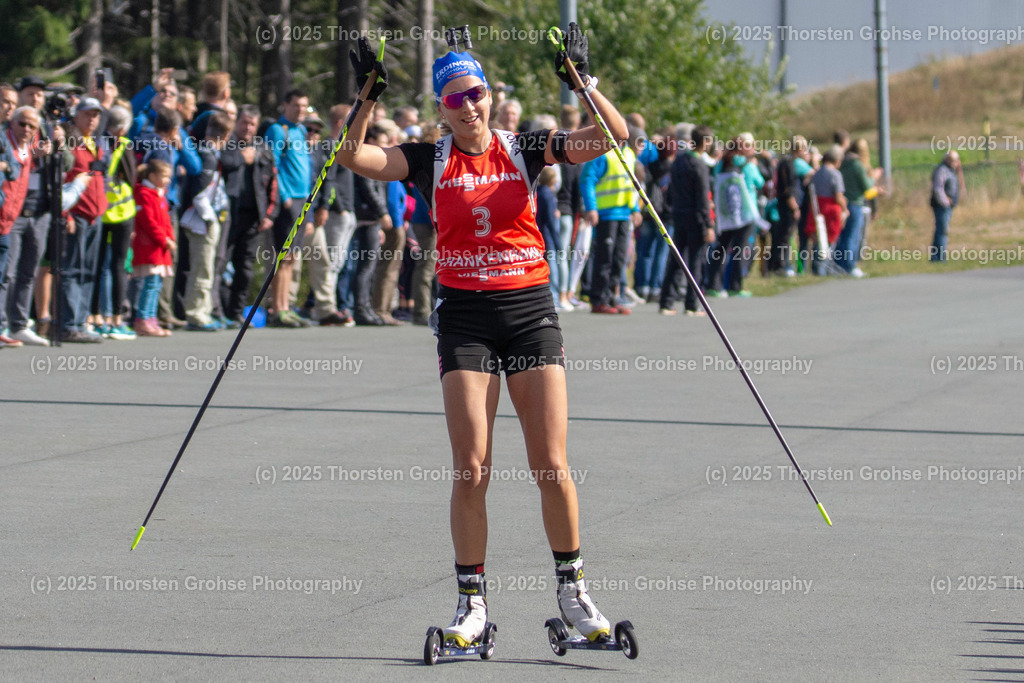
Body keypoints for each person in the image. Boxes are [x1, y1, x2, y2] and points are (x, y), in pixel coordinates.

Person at [337, 24, 629, 647]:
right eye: (454, 99)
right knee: (472, 468)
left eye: (476, 94)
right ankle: (472, 603)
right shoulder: (428, 158)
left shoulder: (523, 146)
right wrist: (368, 94)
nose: (468, 106)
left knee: (550, 464)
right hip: (465, 317)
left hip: (528, 311)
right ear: (441, 109)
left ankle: (574, 591)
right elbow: (351, 158)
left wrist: (582, 80)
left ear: (489, 95)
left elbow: (612, 137)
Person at [220, 109, 280, 326]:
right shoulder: (227, 144)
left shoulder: (263, 149)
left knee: (245, 268)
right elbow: (222, 165)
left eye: (252, 124)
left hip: (253, 217)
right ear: (237, 122)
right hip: (227, 215)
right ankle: (217, 310)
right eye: (244, 123)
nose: (248, 128)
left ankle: (236, 313)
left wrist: (270, 214)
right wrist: (240, 158)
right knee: (220, 263)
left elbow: (274, 183)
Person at [59, 97, 110, 343]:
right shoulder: (70, 142)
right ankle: (69, 324)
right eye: (88, 114)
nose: (93, 119)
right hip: (76, 214)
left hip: (95, 215)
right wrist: (65, 214)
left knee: (88, 271)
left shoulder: (95, 144)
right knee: (73, 269)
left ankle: (81, 321)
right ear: (76, 116)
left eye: (96, 115)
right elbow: (61, 181)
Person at [264, 89, 313, 327]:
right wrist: (282, 195)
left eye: (304, 106)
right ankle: (277, 309)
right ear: (286, 105)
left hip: (303, 199)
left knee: (293, 257)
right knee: (282, 258)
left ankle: (286, 306)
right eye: (296, 106)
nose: (301, 110)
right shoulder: (277, 130)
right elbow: (271, 164)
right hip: (287, 200)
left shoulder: (302, 130)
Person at [90, 105, 138, 340]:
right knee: (118, 266)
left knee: (97, 265)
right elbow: (132, 177)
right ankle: (116, 318)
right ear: (122, 128)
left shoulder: (97, 143)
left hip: (100, 211)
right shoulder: (124, 145)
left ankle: (95, 315)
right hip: (121, 213)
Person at [580, 135, 642, 314]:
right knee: (604, 257)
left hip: (624, 214)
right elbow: (587, 179)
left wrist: (635, 208)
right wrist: (591, 208)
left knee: (619, 257)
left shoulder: (629, 153)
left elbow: (630, 184)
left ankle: (613, 296)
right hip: (606, 214)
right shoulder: (603, 153)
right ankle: (599, 299)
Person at [660, 124, 715, 316]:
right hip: (695, 217)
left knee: (676, 259)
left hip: (678, 214)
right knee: (696, 261)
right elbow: (702, 198)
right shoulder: (699, 165)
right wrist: (708, 224)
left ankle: (666, 301)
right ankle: (692, 304)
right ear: (705, 142)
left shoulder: (679, 161)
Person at [131, 159, 176, 337]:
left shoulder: (160, 195)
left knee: (156, 284)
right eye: (164, 176)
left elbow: (165, 220)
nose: (168, 180)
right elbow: (149, 222)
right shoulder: (144, 194)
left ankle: (151, 318)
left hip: (160, 248)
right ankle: (143, 319)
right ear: (152, 176)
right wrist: (164, 240)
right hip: (150, 247)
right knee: (150, 284)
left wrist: (170, 237)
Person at [837, 138, 881, 277]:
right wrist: (874, 177)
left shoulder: (844, 162)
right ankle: (850, 265)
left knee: (843, 236)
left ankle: (839, 264)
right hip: (855, 203)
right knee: (853, 236)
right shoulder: (857, 165)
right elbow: (867, 188)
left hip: (843, 203)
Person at [804, 145, 847, 275]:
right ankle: (823, 269)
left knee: (819, 240)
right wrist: (845, 208)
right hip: (831, 211)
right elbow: (838, 196)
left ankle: (817, 269)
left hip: (817, 210)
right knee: (828, 243)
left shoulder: (817, 173)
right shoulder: (835, 174)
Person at [930, 151, 959, 262]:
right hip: (942, 206)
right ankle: (939, 257)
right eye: (953, 160)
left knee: (942, 230)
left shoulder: (950, 170)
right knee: (942, 231)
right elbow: (938, 188)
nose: (956, 162)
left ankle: (937, 257)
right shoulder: (942, 170)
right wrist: (945, 202)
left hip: (947, 206)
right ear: (947, 160)